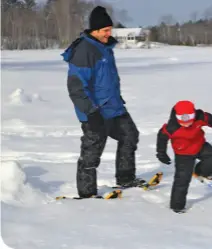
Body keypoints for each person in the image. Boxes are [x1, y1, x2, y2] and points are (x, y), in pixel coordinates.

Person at [61, 6, 144, 198]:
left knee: (130, 135)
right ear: (95, 30)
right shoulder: (85, 50)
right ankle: (87, 193)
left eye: (110, 29)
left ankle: (125, 178)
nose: (109, 33)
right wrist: (90, 112)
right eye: (105, 30)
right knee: (92, 152)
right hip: (94, 111)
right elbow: (76, 87)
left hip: (113, 107)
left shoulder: (104, 48)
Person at [156, 100, 212, 213]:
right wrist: (161, 153)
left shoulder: (199, 117)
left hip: (200, 146)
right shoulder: (172, 127)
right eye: (183, 121)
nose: (187, 123)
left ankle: (201, 172)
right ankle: (177, 207)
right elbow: (162, 137)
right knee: (182, 180)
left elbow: (210, 119)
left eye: (189, 120)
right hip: (183, 154)